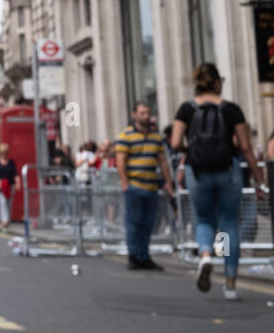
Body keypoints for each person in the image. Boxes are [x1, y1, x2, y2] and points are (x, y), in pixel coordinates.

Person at [170, 63, 269, 300]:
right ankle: (230, 283)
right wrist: (259, 179)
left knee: (203, 220)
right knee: (228, 224)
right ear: (216, 82)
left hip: (198, 171)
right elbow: (245, 148)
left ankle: (205, 255)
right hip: (227, 170)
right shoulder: (231, 110)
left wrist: (192, 149)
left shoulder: (187, 109)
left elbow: (174, 143)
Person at [114, 102, 176, 270]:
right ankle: (134, 255)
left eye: (147, 113)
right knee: (134, 223)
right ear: (134, 115)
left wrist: (168, 181)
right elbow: (120, 160)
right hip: (134, 186)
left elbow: (162, 161)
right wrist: (125, 182)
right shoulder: (125, 135)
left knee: (148, 224)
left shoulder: (156, 137)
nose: (146, 116)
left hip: (152, 187)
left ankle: (144, 255)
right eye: (142, 113)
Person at [0, 143, 18, 226]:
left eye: (5, 152)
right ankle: (4, 220)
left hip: (10, 185)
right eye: (2, 152)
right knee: (2, 202)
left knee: (9, 203)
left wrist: (18, 182)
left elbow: (15, 173)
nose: (4, 154)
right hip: (1, 185)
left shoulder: (11, 162)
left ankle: (8, 219)